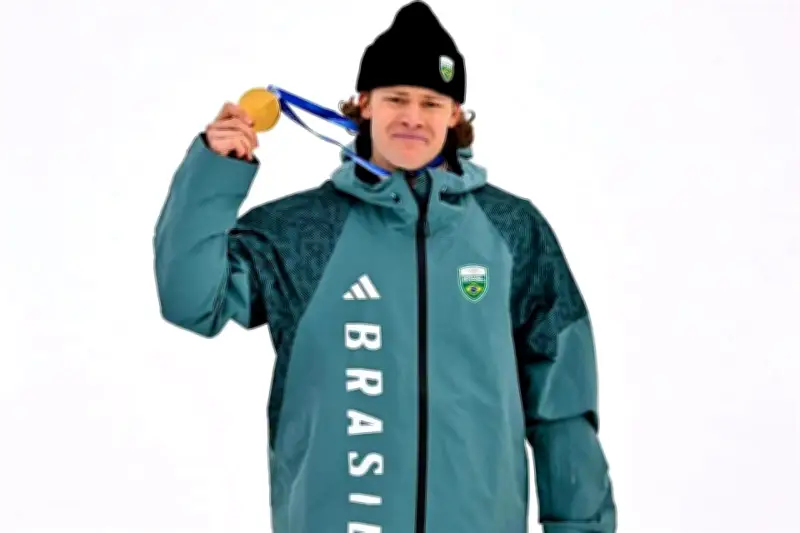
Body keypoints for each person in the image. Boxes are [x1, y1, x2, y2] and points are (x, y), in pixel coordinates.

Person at [153, 1, 617, 532]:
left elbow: (562, 404)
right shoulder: (303, 229)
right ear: (364, 104)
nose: (413, 117)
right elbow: (192, 300)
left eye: (431, 102)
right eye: (396, 98)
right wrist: (214, 171)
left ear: (455, 114)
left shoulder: (512, 229)